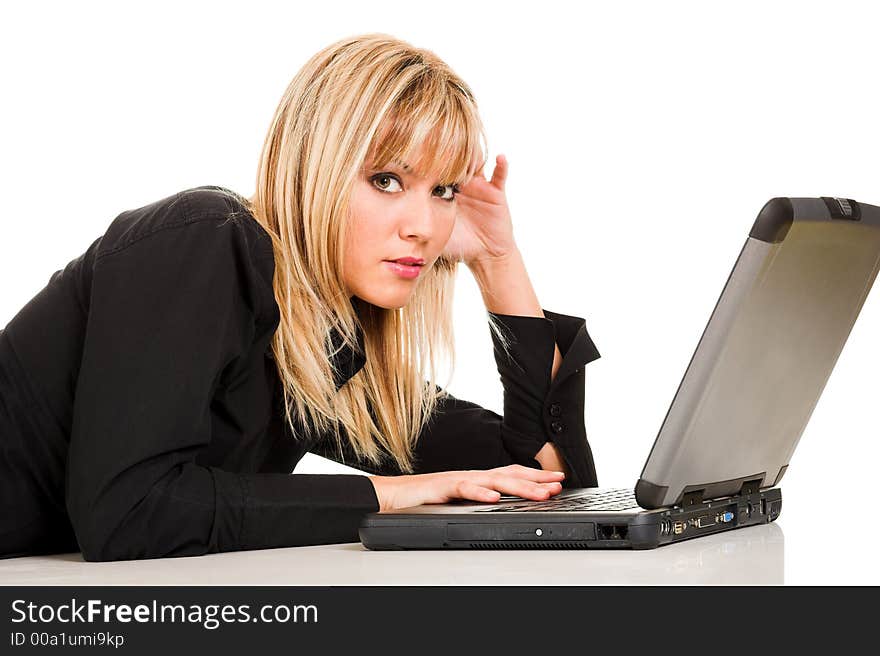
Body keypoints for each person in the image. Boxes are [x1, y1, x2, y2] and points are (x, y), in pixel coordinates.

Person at [0, 33, 601, 562]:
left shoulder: (326, 356)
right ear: (316, 169)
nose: (423, 224)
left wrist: (498, 261)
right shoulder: (206, 239)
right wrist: (391, 495)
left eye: (442, 190)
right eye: (387, 180)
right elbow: (127, 512)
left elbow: (550, 480)